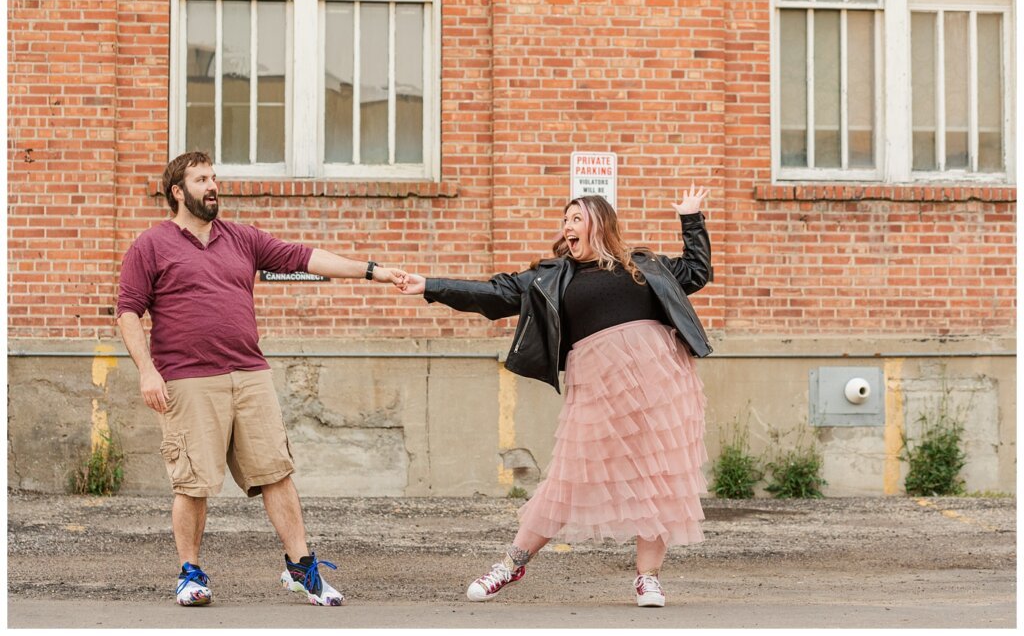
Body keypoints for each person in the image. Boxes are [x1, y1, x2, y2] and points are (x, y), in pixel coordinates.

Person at [397, 188, 713, 608]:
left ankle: (648, 578)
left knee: (657, 479)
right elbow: (495, 293)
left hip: (658, 382)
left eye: (576, 219)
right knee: (567, 478)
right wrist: (430, 286)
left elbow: (696, 272)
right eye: (565, 220)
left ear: (601, 223)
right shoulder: (551, 277)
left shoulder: (644, 265)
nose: (567, 226)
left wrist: (691, 219)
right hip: (597, 387)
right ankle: (511, 563)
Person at [116, 151, 405, 607]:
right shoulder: (150, 245)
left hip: (250, 375)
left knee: (276, 473)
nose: (213, 186)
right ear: (178, 191)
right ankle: (190, 575)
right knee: (192, 483)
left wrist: (373, 271)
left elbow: (305, 257)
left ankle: (301, 568)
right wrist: (147, 370)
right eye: (201, 179)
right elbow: (128, 311)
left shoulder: (241, 238)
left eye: (214, 177)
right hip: (188, 381)